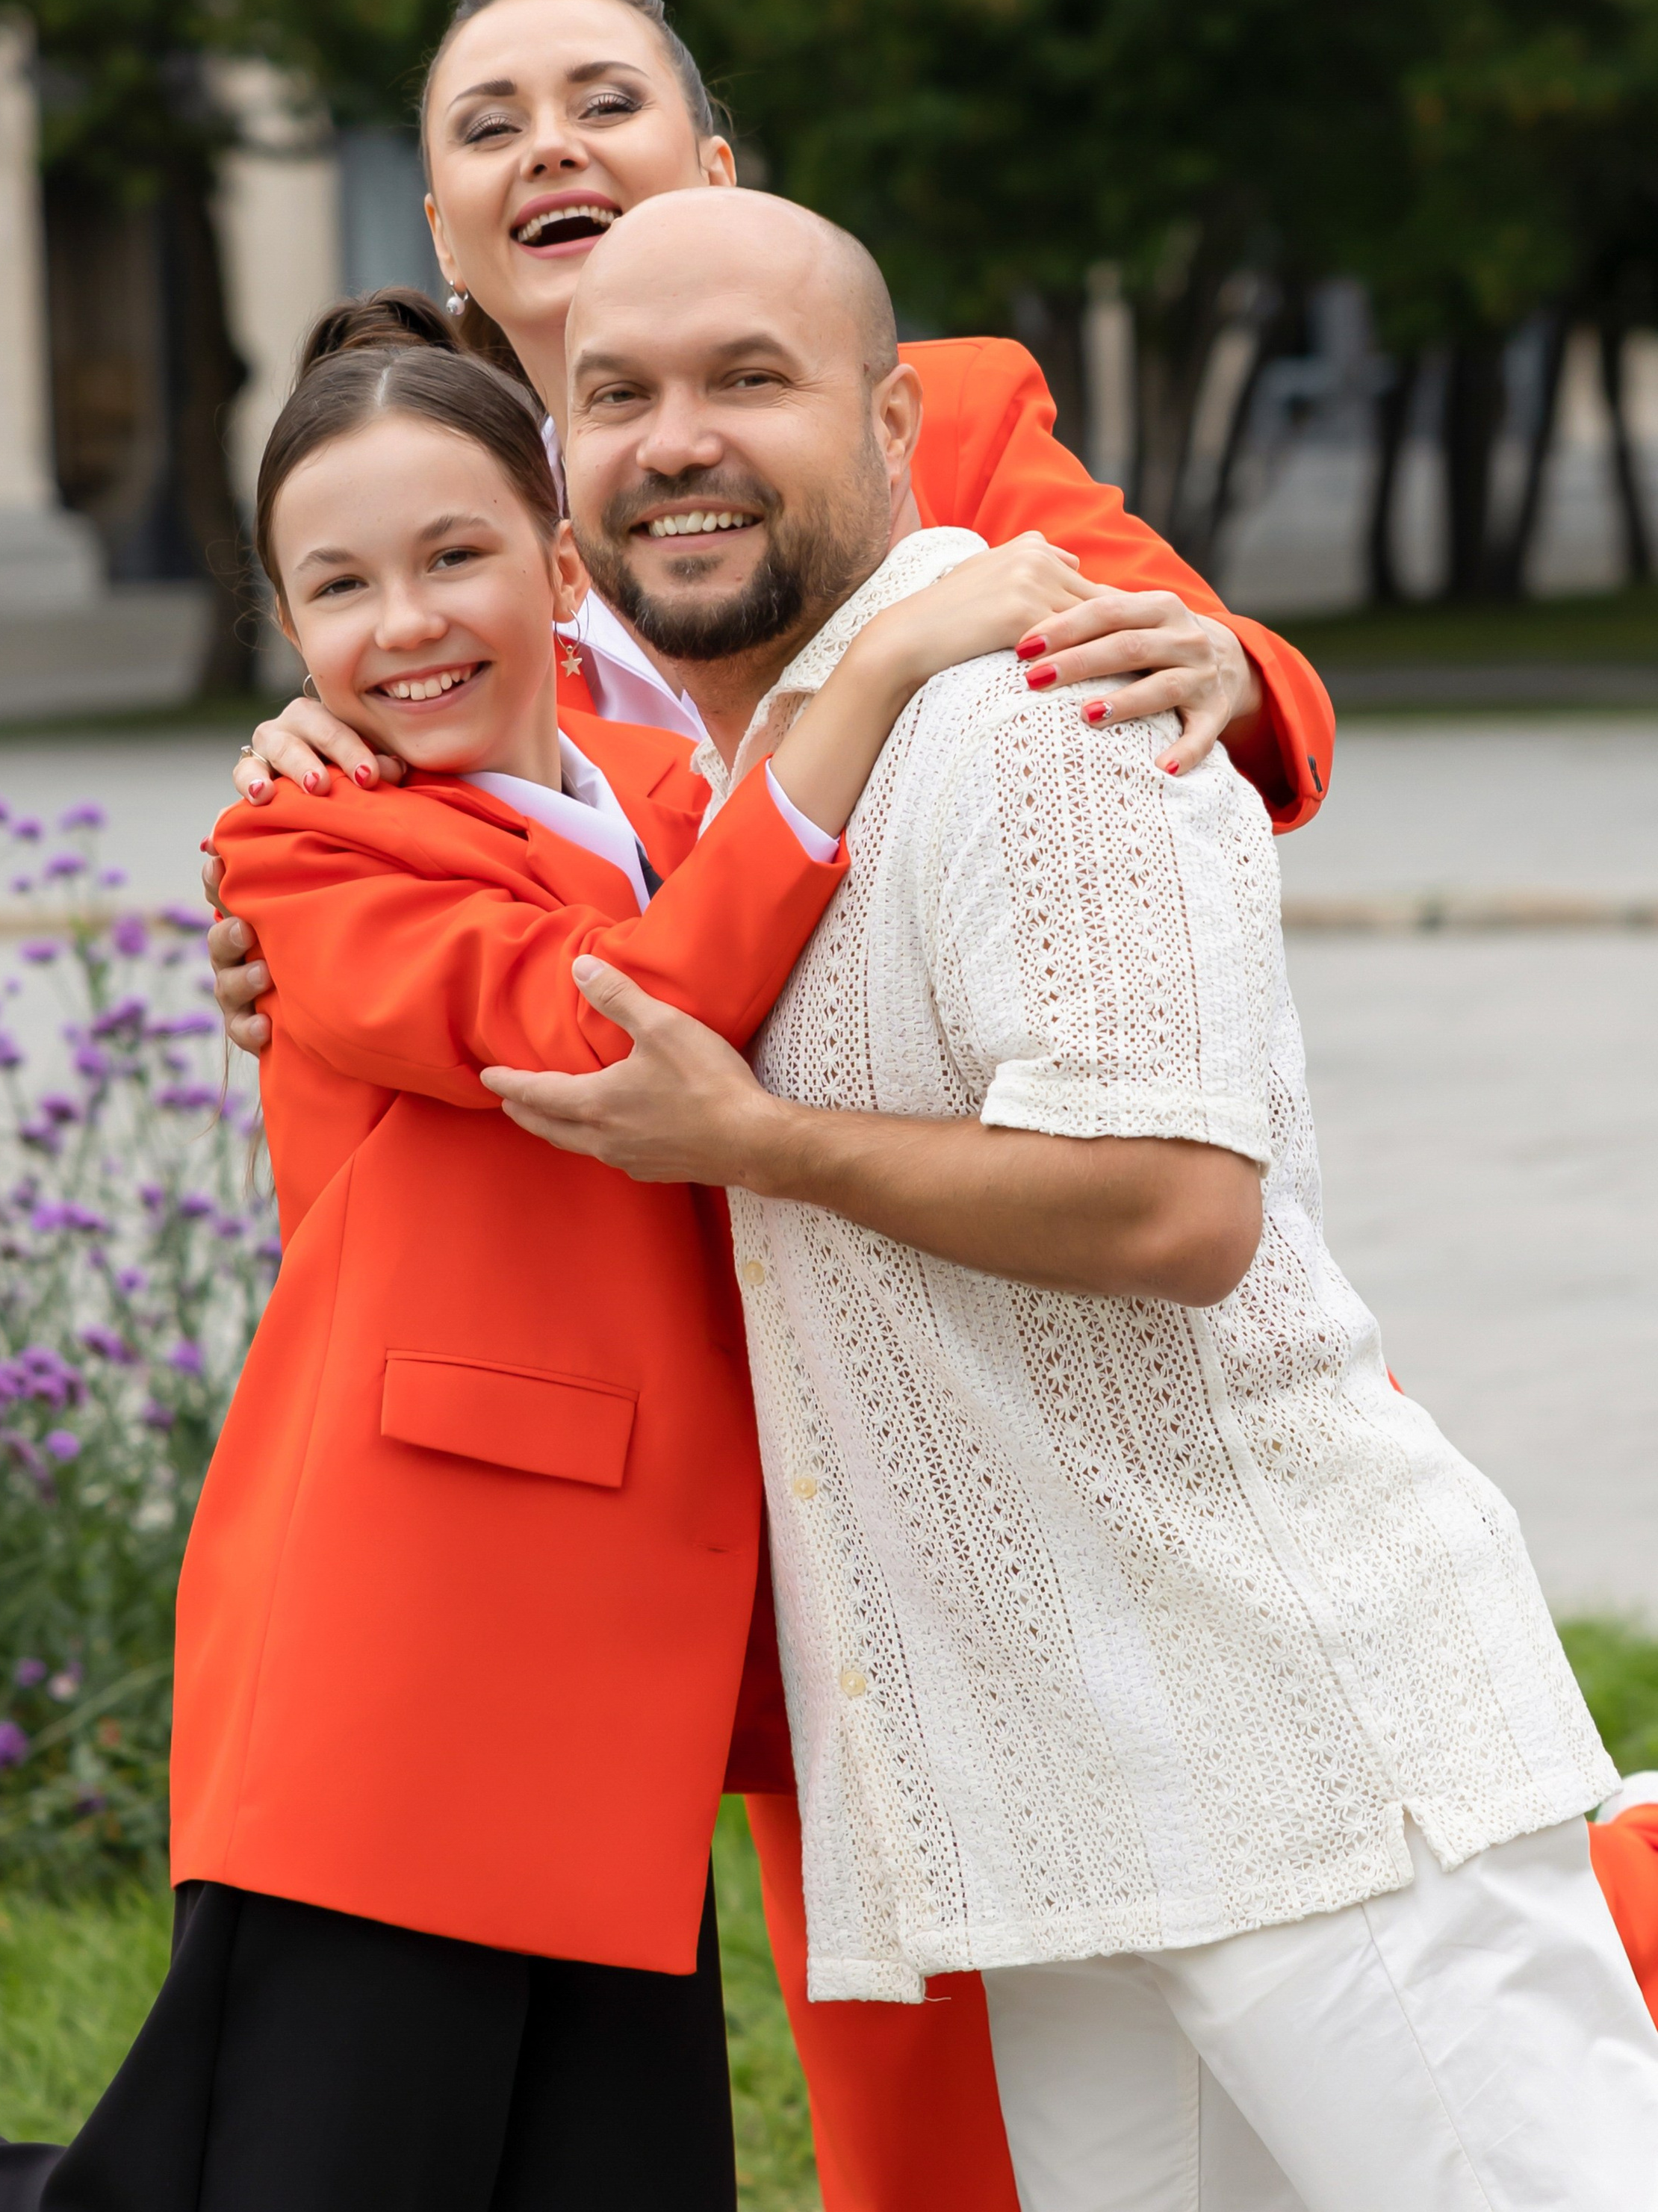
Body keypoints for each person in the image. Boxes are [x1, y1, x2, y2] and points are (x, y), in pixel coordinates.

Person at [204, 0, 1341, 2212]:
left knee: (1309, 1910)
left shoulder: (947, 415)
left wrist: (1194, 659)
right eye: (487, 123)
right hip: (698, 1404)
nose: (555, 146)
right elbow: (502, 962)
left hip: (996, 1289)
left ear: (712, 155)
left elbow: (1227, 677)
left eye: (605, 98)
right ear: (437, 229)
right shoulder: (433, 577)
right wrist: (334, 834)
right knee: (903, 2037)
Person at [0, 296, 1085, 2212]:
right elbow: (603, 1025)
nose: (409, 622)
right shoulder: (308, 851)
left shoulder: (664, 796)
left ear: (559, 566)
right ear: (289, 636)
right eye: (339, 587)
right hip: (406, 1659)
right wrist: (855, 696)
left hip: (624, 1679)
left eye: (455, 554)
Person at [483, 184, 1658, 2211]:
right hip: (1067, 1818)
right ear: (568, 487)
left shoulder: (1043, 707)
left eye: (747, 379)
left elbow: (1171, 1207)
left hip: (1310, 1761)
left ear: (887, 428)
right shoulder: (761, 795)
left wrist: (754, 1144)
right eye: (618, 393)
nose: (675, 435)